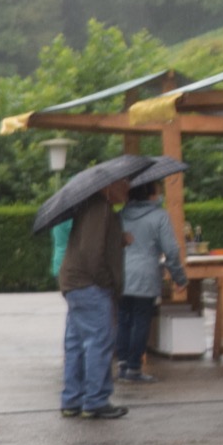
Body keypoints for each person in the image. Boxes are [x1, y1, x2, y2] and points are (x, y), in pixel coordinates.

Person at [57, 173, 131, 419]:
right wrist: (105, 281)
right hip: (89, 285)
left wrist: (119, 240)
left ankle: (72, 400)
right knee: (99, 342)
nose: (128, 188)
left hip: (74, 283)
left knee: (77, 344)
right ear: (109, 185)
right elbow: (91, 251)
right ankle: (96, 401)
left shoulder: (92, 208)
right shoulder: (101, 208)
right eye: (124, 182)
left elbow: (91, 243)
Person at [116, 182, 185, 383]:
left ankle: (122, 365)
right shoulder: (159, 216)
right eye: (158, 189)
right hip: (146, 275)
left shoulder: (120, 215)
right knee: (141, 320)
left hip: (121, 273)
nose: (160, 193)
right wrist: (179, 277)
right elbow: (171, 250)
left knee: (123, 318)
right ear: (150, 193)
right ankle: (134, 368)